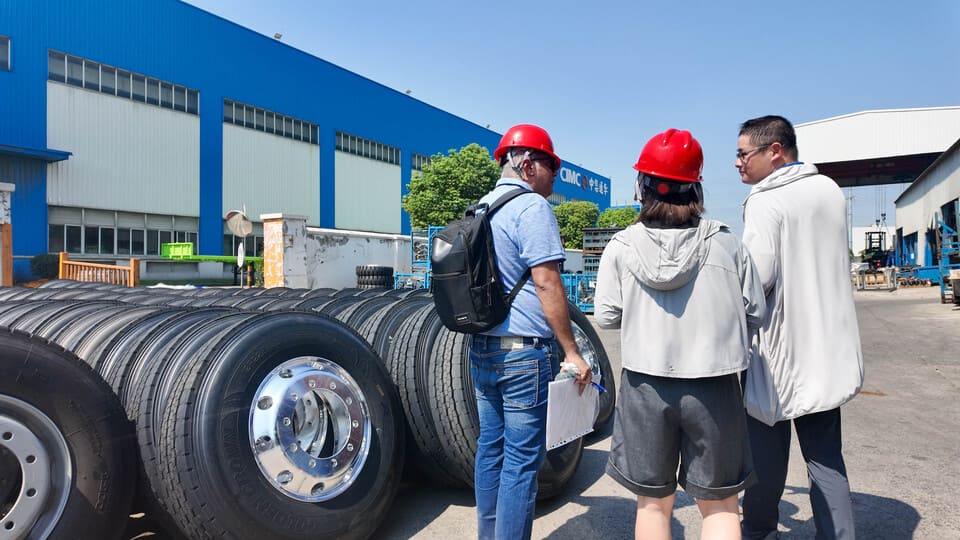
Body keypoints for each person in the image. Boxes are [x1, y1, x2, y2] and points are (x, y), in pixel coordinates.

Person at [594, 128, 765, 540]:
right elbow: (755, 314)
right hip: (716, 386)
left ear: (643, 185)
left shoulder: (621, 245)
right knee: (721, 506)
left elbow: (605, 316)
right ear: (696, 188)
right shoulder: (728, 244)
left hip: (645, 386)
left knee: (653, 504)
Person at [736, 115, 864, 540]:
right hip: (829, 348)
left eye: (743, 154)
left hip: (779, 356)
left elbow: (758, 280)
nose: (738, 163)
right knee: (827, 460)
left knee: (765, 462)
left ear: (775, 151)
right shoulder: (828, 189)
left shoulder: (765, 199)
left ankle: (757, 531)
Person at [470, 123, 592, 540]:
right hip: (523, 354)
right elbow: (546, 281)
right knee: (521, 460)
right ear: (527, 164)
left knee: (491, 449)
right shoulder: (531, 208)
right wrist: (572, 351)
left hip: (482, 347)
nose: (554, 177)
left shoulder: (480, 208)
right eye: (550, 166)